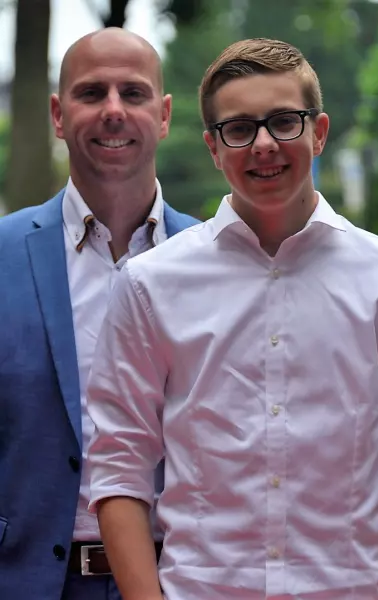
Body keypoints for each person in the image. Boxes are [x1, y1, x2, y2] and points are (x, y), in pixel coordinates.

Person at [85, 38, 378, 600]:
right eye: (239, 129)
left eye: (285, 122)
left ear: (319, 132)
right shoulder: (150, 284)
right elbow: (119, 464)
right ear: (214, 147)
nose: (264, 144)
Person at [0, 28, 198, 600]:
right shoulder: (3, 256)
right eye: (92, 93)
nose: (113, 110)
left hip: (181, 581)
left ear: (163, 115)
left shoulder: (217, 260)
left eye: (133, 93)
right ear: (58, 116)